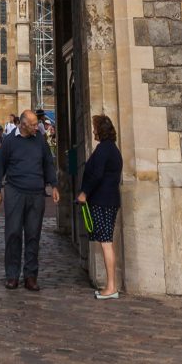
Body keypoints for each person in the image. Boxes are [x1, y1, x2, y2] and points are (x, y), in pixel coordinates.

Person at [0, 106, 59, 290]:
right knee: (12, 233)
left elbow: (48, 163)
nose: (37, 127)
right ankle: (12, 275)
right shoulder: (10, 141)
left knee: (33, 235)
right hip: (15, 191)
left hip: (36, 192)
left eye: (37, 124)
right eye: (34, 124)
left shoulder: (40, 141)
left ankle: (30, 276)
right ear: (23, 124)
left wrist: (54, 185)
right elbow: (0, 166)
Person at [78, 113, 124, 299]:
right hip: (108, 200)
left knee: (106, 243)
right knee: (106, 242)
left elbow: (97, 175)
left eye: (95, 126)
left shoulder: (105, 149)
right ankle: (110, 285)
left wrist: (84, 193)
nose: (93, 130)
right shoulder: (111, 149)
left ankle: (111, 286)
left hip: (103, 201)